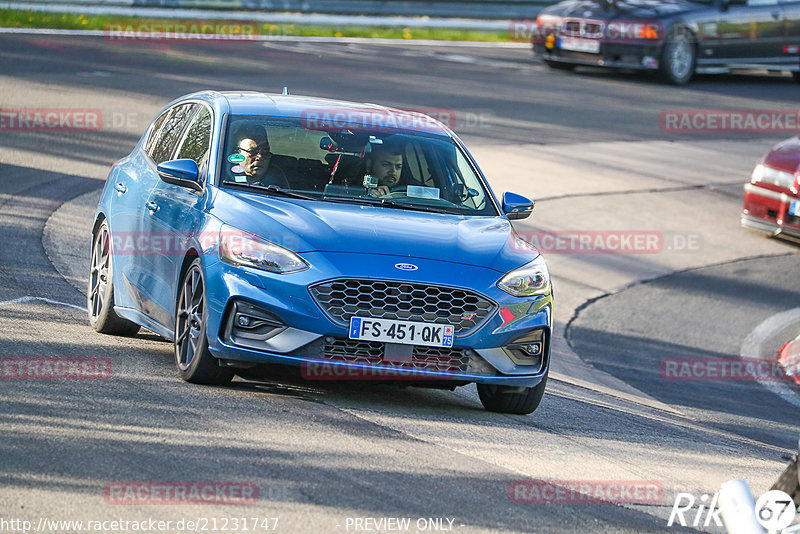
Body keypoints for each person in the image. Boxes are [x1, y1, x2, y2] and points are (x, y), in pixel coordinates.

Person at [231, 123, 288, 188]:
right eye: (253, 152)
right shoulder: (223, 179)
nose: (260, 157)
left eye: (265, 151)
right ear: (237, 155)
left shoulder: (277, 180)